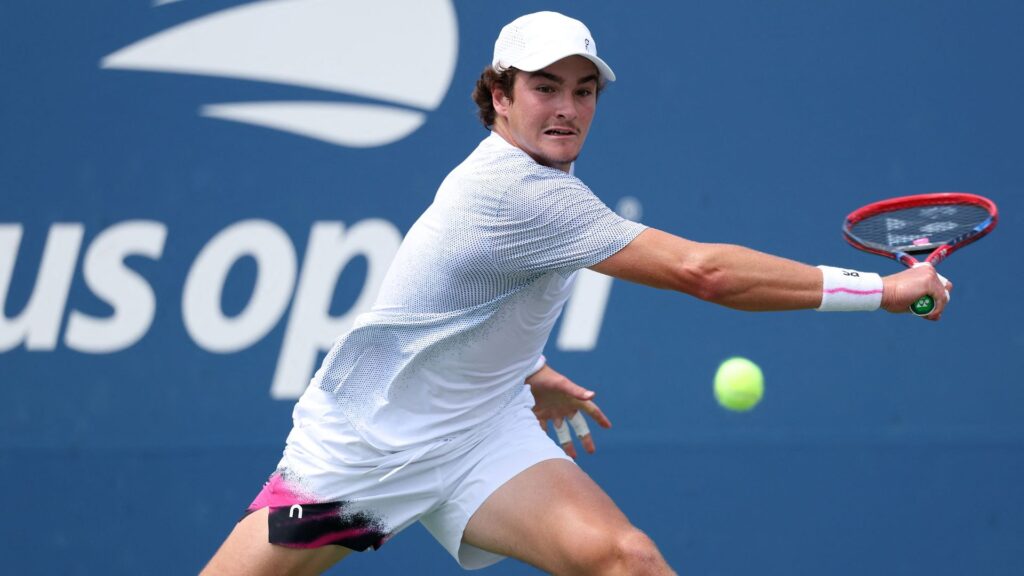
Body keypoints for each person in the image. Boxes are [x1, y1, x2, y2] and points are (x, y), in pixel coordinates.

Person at [202, 11, 950, 576]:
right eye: (544, 88)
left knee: (626, 560)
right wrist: (883, 289)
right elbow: (705, 273)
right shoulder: (519, 193)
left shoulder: (542, 184)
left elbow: (452, 301)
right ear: (498, 96)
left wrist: (522, 371)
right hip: (364, 450)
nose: (567, 108)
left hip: (479, 430)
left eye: (583, 90)